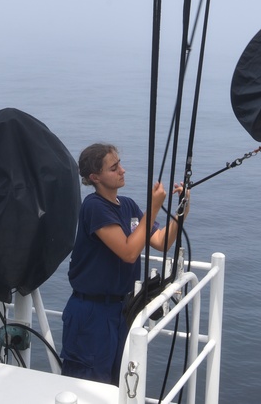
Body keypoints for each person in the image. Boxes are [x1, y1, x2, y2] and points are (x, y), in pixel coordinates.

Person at [60, 142, 190, 385]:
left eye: (119, 164)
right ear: (95, 177)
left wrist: (183, 210)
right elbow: (128, 252)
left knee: (119, 383)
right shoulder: (94, 207)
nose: (122, 171)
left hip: (123, 310)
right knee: (88, 385)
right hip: (92, 313)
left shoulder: (128, 205)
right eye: (114, 168)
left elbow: (161, 242)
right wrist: (153, 207)